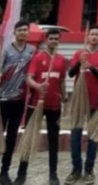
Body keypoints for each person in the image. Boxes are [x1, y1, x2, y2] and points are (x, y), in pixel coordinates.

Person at [0, 20, 36, 185]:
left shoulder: (31, 50)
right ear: (14, 32)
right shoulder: (5, 50)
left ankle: (4, 172)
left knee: (11, 139)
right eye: (20, 30)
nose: (23, 32)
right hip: (1, 100)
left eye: (25, 30)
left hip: (18, 100)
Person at [15, 28, 67, 185]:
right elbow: (29, 79)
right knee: (29, 139)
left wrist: (64, 97)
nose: (54, 41)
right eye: (51, 38)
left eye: (56, 39)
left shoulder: (61, 59)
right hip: (36, 104)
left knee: (53, 140)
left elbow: (62, 80)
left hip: (54, 105)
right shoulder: (38, 58)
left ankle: (53, 174)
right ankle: (21, 174)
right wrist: (38, 86)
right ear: (46, 40)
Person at [65, 24, 98, 185]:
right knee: (75, 136)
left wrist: (91, 66)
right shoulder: (79, 53)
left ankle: (89, 169)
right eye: (92, 34)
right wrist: (79, 62)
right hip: (78, 102)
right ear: (88, 36)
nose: (94, 37)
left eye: (97, 34)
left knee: (93, 137)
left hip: (94, 101)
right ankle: (76, 169)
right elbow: (70, 74)